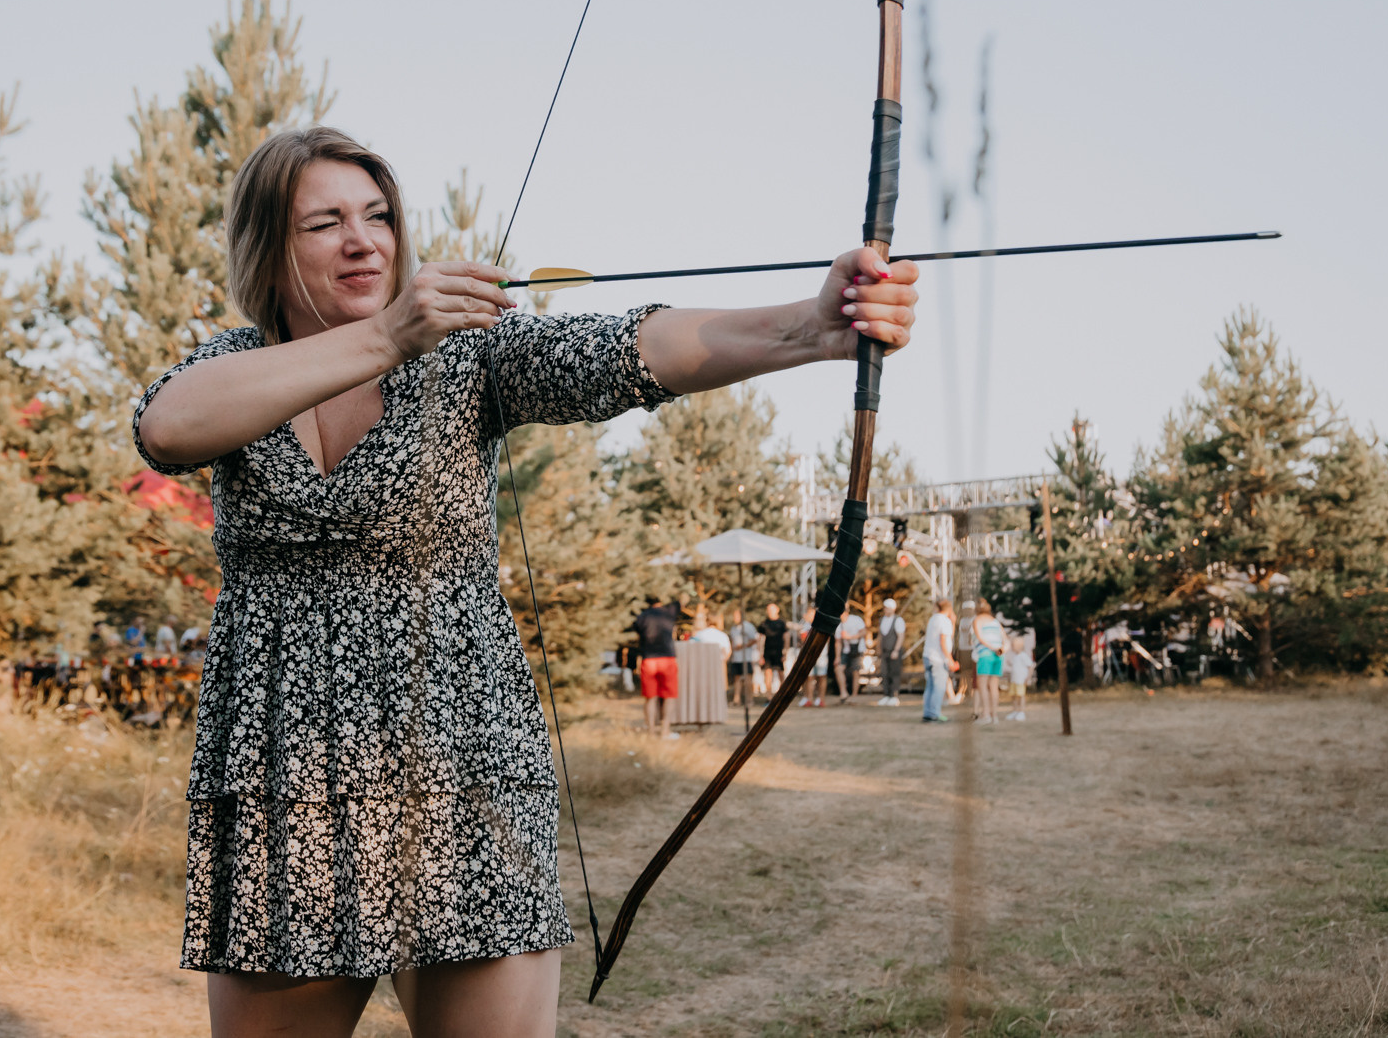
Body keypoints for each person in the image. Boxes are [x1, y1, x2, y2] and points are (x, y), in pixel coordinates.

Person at [130, 126, 919, 1037]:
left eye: (379, 215)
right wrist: (389, 334)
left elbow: (631, 350)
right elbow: (165, 427)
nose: (365, 239)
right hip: (284, 777)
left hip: (466, 766)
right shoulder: (232, 367)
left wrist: (808, 327)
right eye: (327, 222)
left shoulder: (467, 357)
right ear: (270, 249)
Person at [631, 595, 683, 740]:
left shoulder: (642, 616)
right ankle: (665, 731)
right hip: (668, 659)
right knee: (669, 697)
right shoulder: (669, 611)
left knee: (650, 698)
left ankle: (651, 732)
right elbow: (679, 599)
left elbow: (636, 630)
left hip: (649, 659)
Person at [922, 594, 956, 723]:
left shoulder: (933, 619)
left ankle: (927, 712)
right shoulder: (944, 621)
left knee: (930, 686)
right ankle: (934, 713)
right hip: (938, 658)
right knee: (939, 687)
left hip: (927, 656)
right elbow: (944, 640)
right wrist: (950, 659)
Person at [972, 599, 1006, 723]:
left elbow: (980, 638)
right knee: (993, 686)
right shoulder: (995, 622)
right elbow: (1005, 640)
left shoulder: (977, 620)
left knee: (982, 685)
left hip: (985, 655)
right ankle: (994, 716)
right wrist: (1001, 649)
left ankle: (985, 715)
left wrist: (993, 648)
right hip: (998, 656)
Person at [757, 601, 792, 701]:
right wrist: (760, 655)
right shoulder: (764, 624)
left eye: (772, 609)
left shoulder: (781, 623)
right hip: (767, 653)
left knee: (781, 673)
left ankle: (783, 695)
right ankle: (769, 697)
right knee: (768, 674)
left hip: (778, 652)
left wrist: (785, 652)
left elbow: (787, 638)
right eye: (768, 610)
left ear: (777, 610)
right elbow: (760, 639)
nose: (770, 612)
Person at [727, 605, 759, 710]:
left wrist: (743, 646)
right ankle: (737, 699)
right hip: (736, 658)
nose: (734, 618)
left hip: (746, 657)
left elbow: (754, 639)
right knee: (737, 678)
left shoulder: (748, 626)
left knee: (748, 678)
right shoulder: (733, 628)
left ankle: (750, 699)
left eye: (736, 616)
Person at [875, 598, 906, 706]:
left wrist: (896, 650)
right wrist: (878, 648)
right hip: (884, 651)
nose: (885, 610)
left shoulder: (898, 620)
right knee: (884, 673)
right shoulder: (882, 620)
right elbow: (880, 636)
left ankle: (894, 695)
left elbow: (900, 636)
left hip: (894, 651)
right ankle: (886, 695)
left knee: (894, 673)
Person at [834, 604, 866, 703]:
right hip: (846, 649)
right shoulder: (839, 625)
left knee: (855, 672)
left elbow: (863, 632)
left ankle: (854, 696)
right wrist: (837, 657)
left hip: (858, 648)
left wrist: (851, 637)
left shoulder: (855, 620)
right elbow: (838, 642)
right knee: (838, 669)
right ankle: (844, 693)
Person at [1002, 630, 1031, 721]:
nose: (1012, 648)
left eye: (1013, 646)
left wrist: (1028, 678)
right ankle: (1015, 711)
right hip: (1014, 680)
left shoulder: (1024, 656)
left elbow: (1030, 666)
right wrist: (1010, 664)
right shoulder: (1015, 656)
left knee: (1021, 696)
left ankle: (1021, 712)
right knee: (1013, 696)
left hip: (1020, 680)